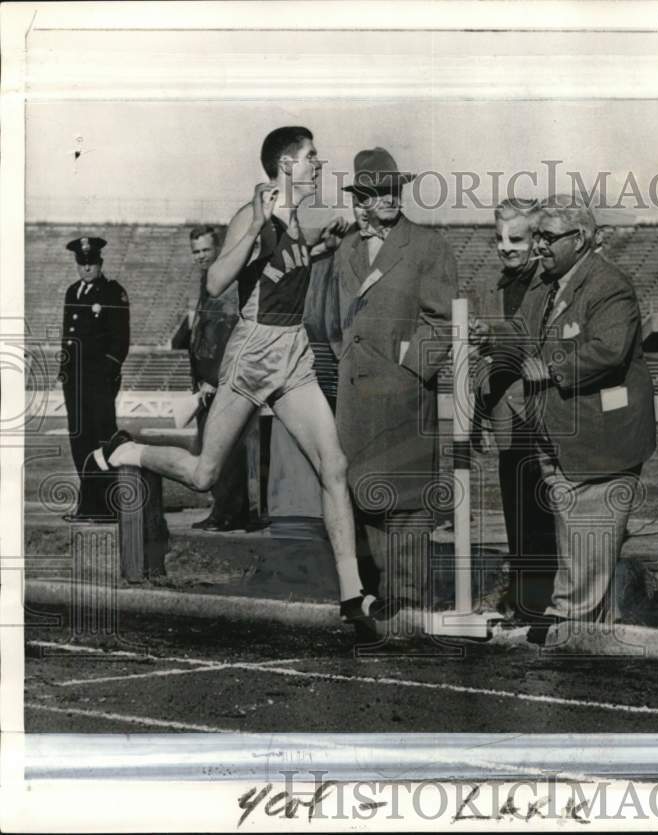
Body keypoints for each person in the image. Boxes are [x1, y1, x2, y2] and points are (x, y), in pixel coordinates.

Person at [91, 126, 378, 641]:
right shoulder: (253, 213)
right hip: (252, 352)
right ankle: (129, 451)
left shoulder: (301, 218)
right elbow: (217, 281)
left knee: (333, 465)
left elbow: (279, 271)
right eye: (311, 156)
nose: (320, 163)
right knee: (204, 475)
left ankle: (352, 595)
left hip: (293, 351)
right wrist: (256, 225)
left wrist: (320, 250)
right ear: (286, 165)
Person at [511, 194, 656, 646]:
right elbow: (520, 334)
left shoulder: (610, 284)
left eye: (549, 237)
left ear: (582, 238)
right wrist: (489, 335)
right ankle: (590, 629)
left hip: (602, 436)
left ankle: (564, 622)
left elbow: (609, 350)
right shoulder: (542, 286)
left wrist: (550, 366)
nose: (539, 246)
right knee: (577, 539)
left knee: (587, 536)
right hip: (556, 433)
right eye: (537, 236)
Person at [328, 147, 457, 616]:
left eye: (391, 189)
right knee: (362, 493)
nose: (385, 198)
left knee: (405, 499)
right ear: (358, 197)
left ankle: (409, 601)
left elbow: (443, 323)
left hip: (403, 396)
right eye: (373, 191)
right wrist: (348, 359)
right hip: (356, 396)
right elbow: (338, 319)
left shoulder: (427, 246)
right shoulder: (346, 249)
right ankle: (375, 595)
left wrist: (407, 366)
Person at [468, 198, 557, 624]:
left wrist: (494, 339)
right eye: (500, 238)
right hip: (506, 412)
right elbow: (481, 356)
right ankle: (525, 601)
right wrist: (481, 411)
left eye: (516, 238)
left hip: (545, 413)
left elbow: (530, 339)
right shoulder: (491, 287)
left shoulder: (552, 283)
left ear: (537, 239)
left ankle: (546, 600)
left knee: (546, 508)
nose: (506, 246)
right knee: (516, 509)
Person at [186, 225, 255, 532]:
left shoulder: (224, 282)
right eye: (196, 252)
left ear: (217, 249)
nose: (201, 256)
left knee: (225, 446)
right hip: (206, 380)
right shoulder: (207, 279)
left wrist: (214, 379)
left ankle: (230, 513)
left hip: (221, 378)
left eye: (206, 250)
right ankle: (223, 510)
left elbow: (226, 332)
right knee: (212, 445)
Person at [59, 236, 129, 522]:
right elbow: (67, 337)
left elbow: (120, 340)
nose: (86, 268)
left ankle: (109, 506)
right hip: (74, 382)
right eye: (82, 263)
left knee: (103, 439)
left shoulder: (112, 293)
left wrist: (106, 375)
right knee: (79, 440)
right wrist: (65, 374)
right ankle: (89, 504)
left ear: (100, 263)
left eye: (91, 263)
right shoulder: (72, 292)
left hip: (98, 381)